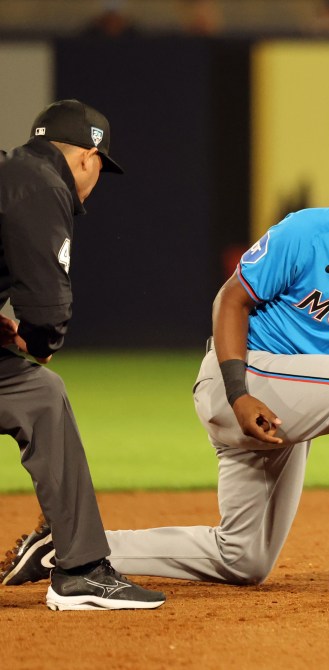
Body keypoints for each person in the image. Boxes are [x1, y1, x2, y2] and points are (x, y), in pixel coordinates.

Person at [2, 151, 329, 592]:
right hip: (239, 380)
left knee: (243, 559)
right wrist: (239, 391)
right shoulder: (310, 232)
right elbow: (231, 301)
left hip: (292, 409)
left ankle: (69, 546)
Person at [0, 100, 165, 610]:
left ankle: (79, 564)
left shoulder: (13, 173)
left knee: (38, 397)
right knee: (39, 389)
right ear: (89, 157)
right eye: (100, 168)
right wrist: (41, 339)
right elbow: (47, 300)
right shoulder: (41, 183)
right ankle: (81, 570)